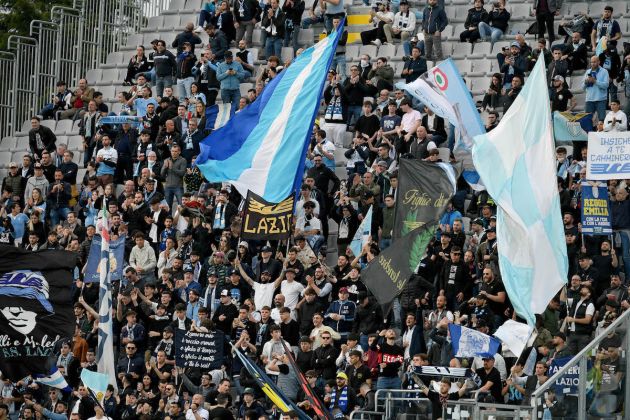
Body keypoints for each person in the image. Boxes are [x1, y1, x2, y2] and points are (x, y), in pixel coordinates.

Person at [584, 54, 610, 124]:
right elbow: (582, 87)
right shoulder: (588, 72)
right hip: (589, 99)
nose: (593, 63)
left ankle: (602, 134)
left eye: (594, 62)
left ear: (599, 62)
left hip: (600, 99)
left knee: (602, 120)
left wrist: (595, 81)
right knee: (587, 120)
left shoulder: (604, 71)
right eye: (591, 62)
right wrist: (585, 82)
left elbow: (606, 85)